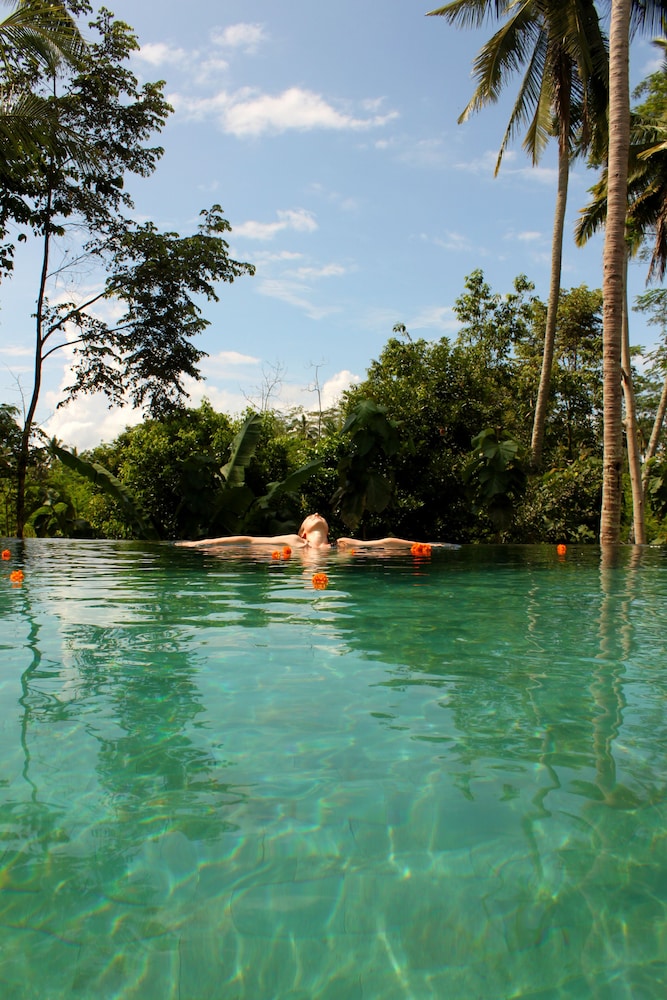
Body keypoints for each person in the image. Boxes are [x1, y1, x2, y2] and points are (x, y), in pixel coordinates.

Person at [176, 512, 331, 549]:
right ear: (303, 533)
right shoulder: (296, 541)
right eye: (311, 517)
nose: (316, 514)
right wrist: (201, 543)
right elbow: (249, 541)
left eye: (319, 516)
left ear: (328, 531)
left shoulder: (343, 544)